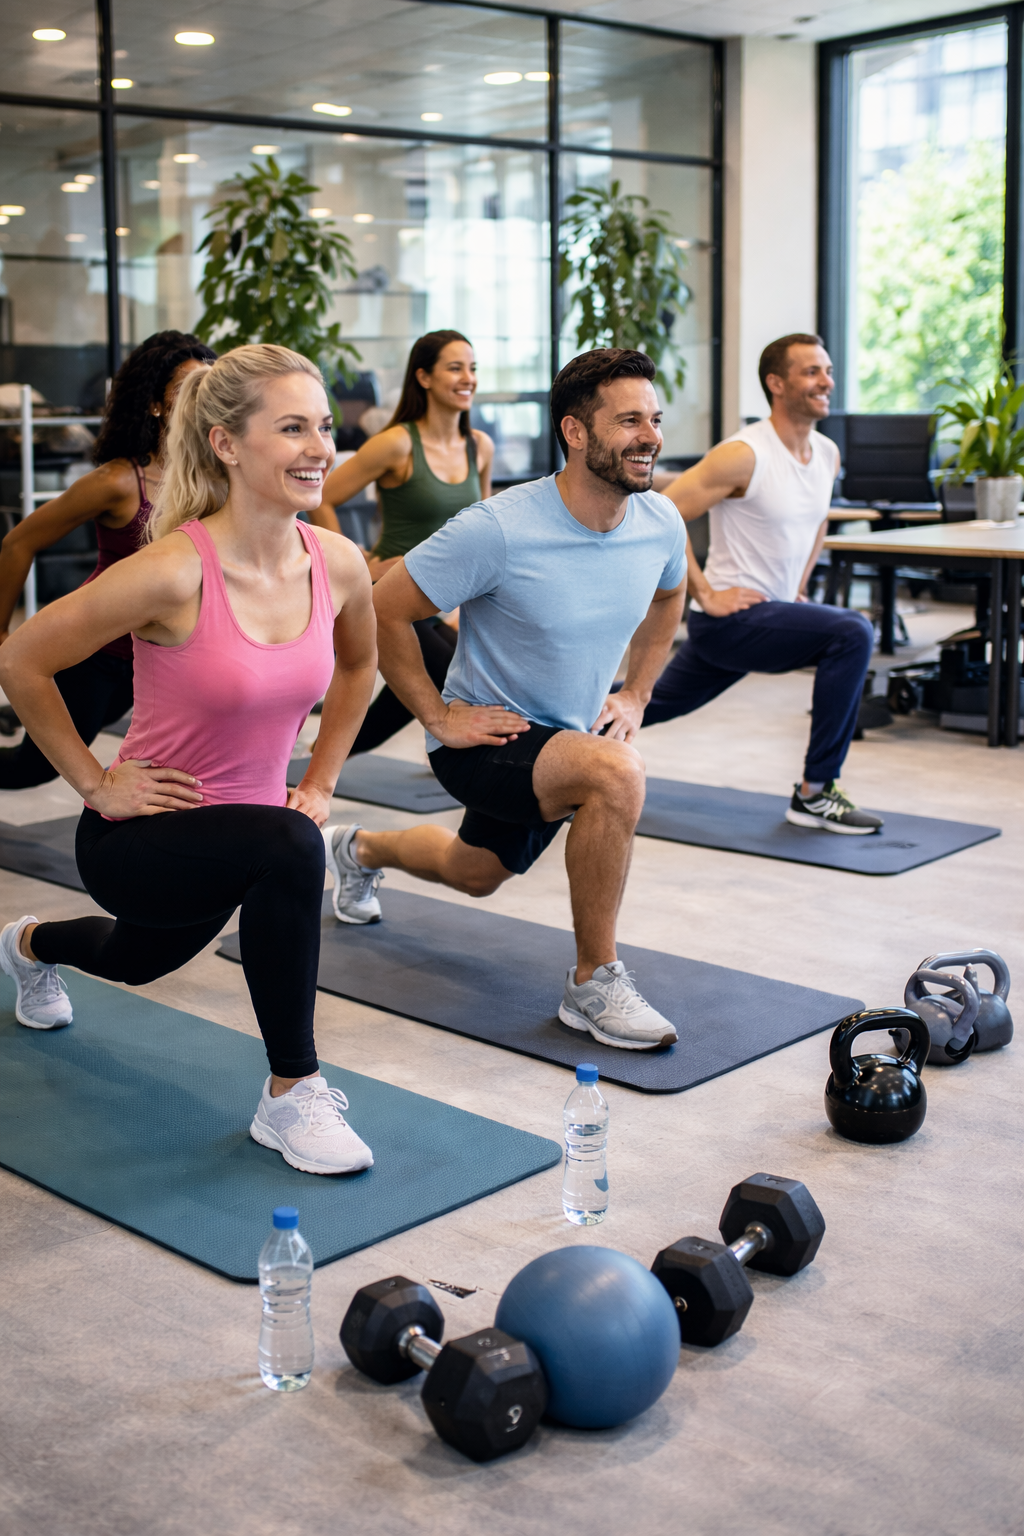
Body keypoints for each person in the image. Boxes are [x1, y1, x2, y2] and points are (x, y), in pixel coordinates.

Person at [0, 344, 379, 1175]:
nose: (320, 446)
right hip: (140, 833)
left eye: (322, 426)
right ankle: (291, 1094)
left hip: (239, 836)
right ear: (226, 444)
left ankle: (26, 946)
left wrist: (319, 780)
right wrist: (96, 782)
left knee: (139, 959)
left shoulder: (337, 562)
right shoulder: (173, 570)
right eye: (291, 428)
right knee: (290, 848)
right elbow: (23, 659)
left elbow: (360, 668)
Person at [323, 348, 688, 1051]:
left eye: (655, 419)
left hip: (565, 738)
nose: (650, 436)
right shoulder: (499, 528)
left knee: (475, 873)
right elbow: (381, 608)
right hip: (486, 741)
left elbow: (671, 596)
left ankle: (357, 849)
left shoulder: (660, 524)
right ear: (576, 432)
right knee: (616, 776)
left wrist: (637, 693)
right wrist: (436, 716)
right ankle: (593, 982)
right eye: (630, 420)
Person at [645, 333, 882, 835]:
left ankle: (551, 731)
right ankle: (816, 793)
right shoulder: (743, 453)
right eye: (811, 372)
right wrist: (705, 593)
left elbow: (819, 520)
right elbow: (660, 515)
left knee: (645, 704)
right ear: (776, 383)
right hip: (732, 621)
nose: (826, 382)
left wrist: (798, 586)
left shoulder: (826, 453)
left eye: (828, 370)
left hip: (768, 613)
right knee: (852, 632)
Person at [0, 331, 217, 787]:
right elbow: (18, 543)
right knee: (29, 770)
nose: (201, 401)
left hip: (161, 656)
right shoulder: (119, 481)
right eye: (186, 391)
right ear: (155, 405)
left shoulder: (216, 479)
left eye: (209, 388)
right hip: (96, 655)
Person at [314, 330, 495, 753]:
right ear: (424, 377)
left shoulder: (479, 447)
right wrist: (357, 566)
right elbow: (322, 497)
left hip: (446, 598)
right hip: (394, 595)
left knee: (414, 683)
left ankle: (321, 757)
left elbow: (485, 535)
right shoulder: (397, 443)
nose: (467, 377)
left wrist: (467, 605)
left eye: (472, 368)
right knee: (451, 677)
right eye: (455, 368)